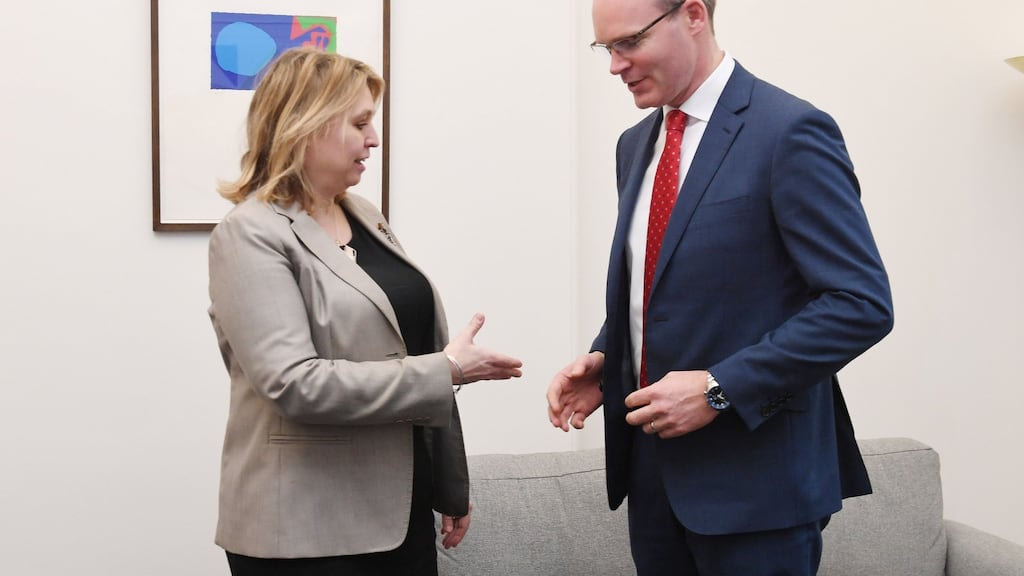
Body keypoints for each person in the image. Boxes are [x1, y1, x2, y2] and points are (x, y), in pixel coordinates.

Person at [546, 1, 894, 574]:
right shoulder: (634, 146)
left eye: (628, 42)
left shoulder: (790, 130)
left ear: (693, 15)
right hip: (652, 479)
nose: (614, 65)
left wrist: (718, 388)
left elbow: (859, 305)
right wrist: (609, 357)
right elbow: (664, 278)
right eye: (605, 48)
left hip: (759, 488)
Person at [208, 47, 523, 576]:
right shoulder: (249, 234)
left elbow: (410, 349)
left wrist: (446, 482)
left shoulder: (365, 215)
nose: (373, 140)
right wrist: (448, 370)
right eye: (359, 123)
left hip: (399, 513)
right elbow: (294, 384)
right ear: (305, 126)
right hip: (304, 532)